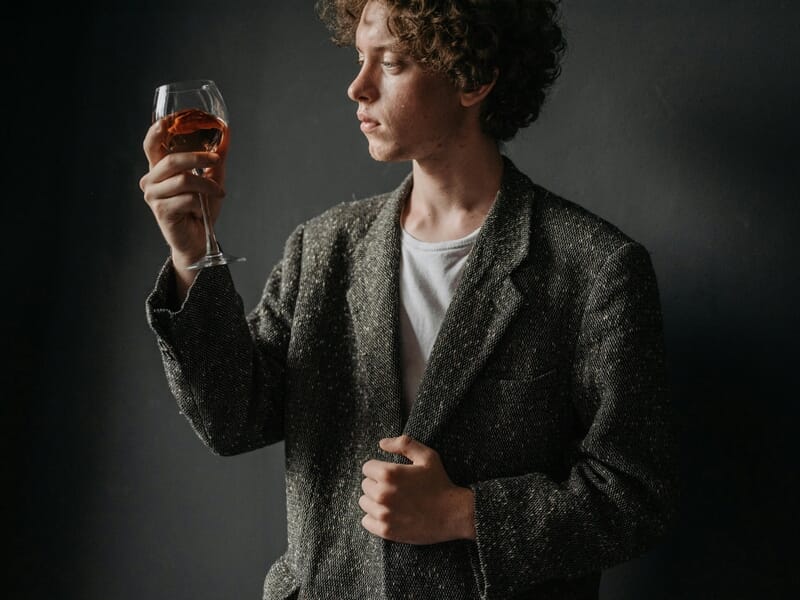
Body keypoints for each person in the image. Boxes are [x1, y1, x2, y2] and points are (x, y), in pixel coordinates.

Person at [139, 1, 678, 598]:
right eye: (359, 58)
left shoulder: (595, 267)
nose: (357, 87)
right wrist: (193, 256)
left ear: (473, 79)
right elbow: (232, 420)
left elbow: (634, 496)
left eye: (390, 63)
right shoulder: (322, 248)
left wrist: (462, 513)